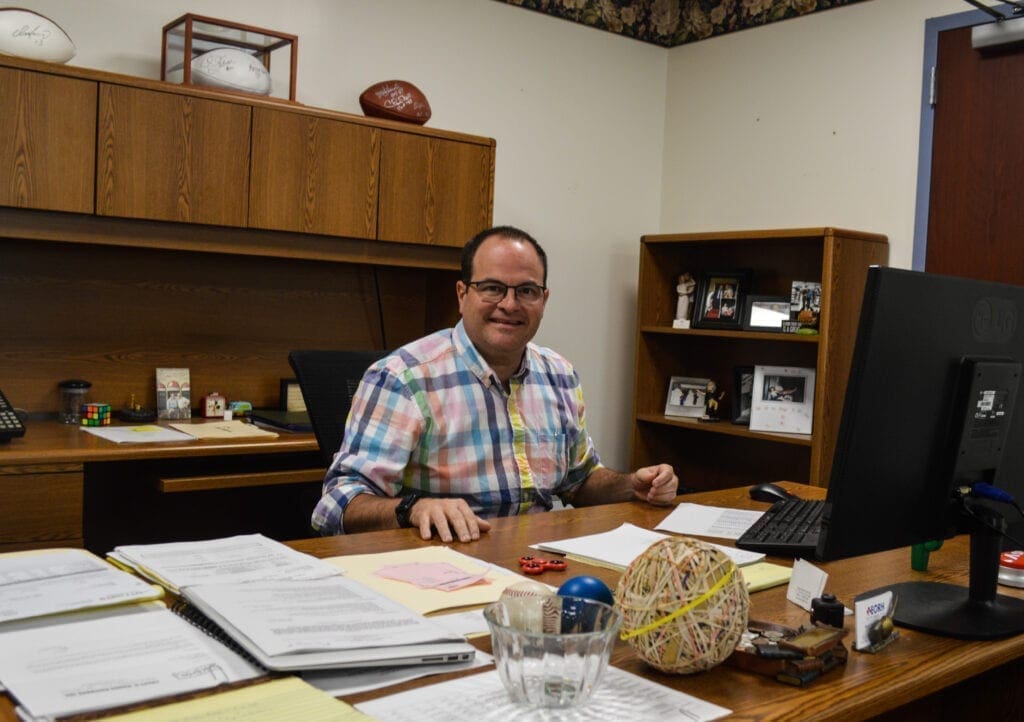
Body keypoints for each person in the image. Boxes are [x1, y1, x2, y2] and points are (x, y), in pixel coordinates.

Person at [311, 226, 679, 543]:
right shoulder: (403, 379)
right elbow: (336, 504)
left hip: (536, 563)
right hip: (438, 566)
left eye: (527, 291)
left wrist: (633, 485)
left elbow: (579, 481)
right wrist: (413, 508)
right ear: (461, 294)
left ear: (544, 299)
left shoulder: (559, 375)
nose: (509, 304)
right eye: (491, 288)